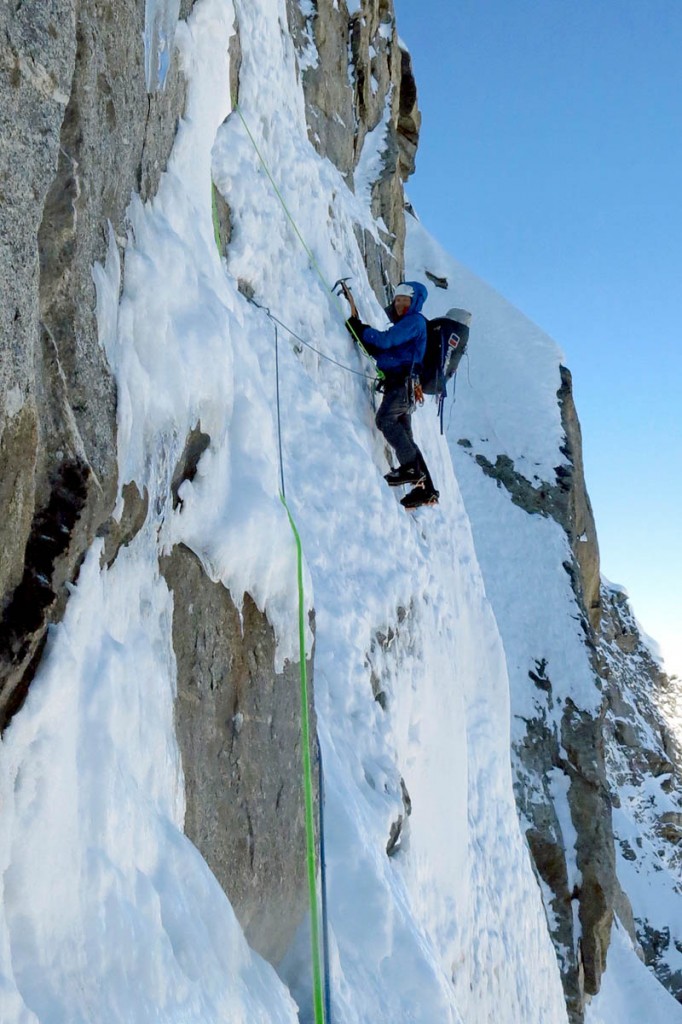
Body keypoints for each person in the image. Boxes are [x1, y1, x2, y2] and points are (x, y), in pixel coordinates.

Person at [345, 281, 439, 509]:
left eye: (404, 301)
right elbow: (391, 352)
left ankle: (410, 468)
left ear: (413, 302)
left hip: (401, 385)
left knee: (385, 420)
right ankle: (424, 490)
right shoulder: (411, 325)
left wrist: (362, 330)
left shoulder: (414, 321)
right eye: (397, 301)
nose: (399, 305)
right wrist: (367, 339)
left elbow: (387, 341)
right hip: (407, 388)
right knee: (406, 437)